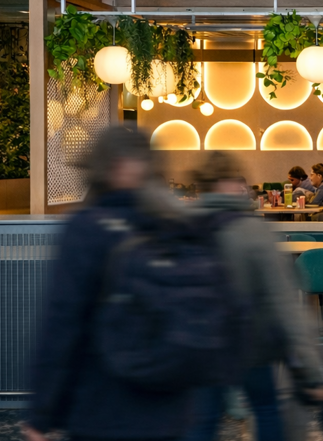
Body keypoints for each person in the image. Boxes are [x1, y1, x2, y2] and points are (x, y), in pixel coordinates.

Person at [25, 127, 196, 441]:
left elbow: (62, 325)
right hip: (170, 410)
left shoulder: (87, 228)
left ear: (108, 166)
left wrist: (41, 413)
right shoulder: (177, 225)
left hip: (101, 410)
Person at [185, 152, 323, 441]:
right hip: (251, 344)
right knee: (266, 409)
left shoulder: (180, 227)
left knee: (200, 421)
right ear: (230, 183)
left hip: (197, 347)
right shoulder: (251, 231)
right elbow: (285, 305)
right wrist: (312, 371)